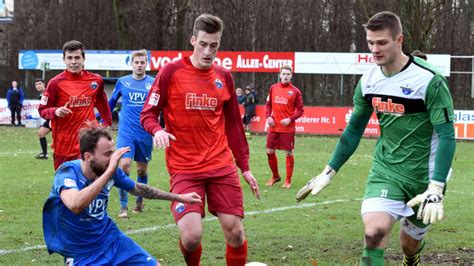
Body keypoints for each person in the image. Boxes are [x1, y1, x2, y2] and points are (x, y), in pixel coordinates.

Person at [296, 11, 455, 265]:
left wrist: (436, 188)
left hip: (424, 174)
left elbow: (447, 135)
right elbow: (354, 130)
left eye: (382, 42)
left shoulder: (429, 81)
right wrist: (329, 171)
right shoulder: (369, 81)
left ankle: (411, 257)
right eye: (370, 42)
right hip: (386, 170)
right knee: (373, 234)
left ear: (399, 40)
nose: (375, 49)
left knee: (409, 244)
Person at [140, 13, 260, 266]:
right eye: (203, 44)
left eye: (214, 45)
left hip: (221, 166)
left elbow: (235, 128)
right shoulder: (171, 72)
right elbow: (148, 114)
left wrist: (245, 167)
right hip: (185, 168)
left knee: (235, 232)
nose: (208, 51)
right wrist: (157, 130)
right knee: (192, 236)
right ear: (192, 40)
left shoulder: (224, 76)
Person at [42, 125, 202, 265]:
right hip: (81, 253)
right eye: (107, 154)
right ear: (87, 156)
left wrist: (179, 197)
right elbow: (76, 204)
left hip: (111, 240)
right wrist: (110, 172)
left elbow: (138, 189)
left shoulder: (108, 169)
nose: (113, 159)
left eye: (113, 152)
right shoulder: (68, 172)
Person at [38, 40, 112, 170]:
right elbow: (42, 110)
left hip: (87, 142)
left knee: (88, 184)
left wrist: (106, 123)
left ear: (83, 59)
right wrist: (55, 111)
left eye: (77, 57)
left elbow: (102, 104)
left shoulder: (96, 81)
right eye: (69, 58)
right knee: (65, 185)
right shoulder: (55, 83)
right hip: (63, 144)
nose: (73, 62)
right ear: (64, 60)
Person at [109, 49, 155, 218]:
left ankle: (139, 201)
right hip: (126, 133)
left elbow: (161, 107)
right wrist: (100, 117)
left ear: (146, 64)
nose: (139, 65)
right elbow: (112, 103)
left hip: (145, 134)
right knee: (124, 167)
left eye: (143, 62)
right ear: (132, 64)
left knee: (141, 171)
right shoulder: (123, 82)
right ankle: (123, 207)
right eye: (137, 62)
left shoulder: (153, 83)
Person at [265, 65, 304, 188]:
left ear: (291, 76)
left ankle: (288, 180)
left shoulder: (296, 91)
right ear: (280, 75)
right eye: (284, 74)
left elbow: (300, 110)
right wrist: (268, 116)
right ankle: (275, 176)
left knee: (288, 153)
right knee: (269, 151)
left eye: (288, 74)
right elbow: (268, 105)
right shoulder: (273, 88)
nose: (286, 76)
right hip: (273, 127)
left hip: (287, 129)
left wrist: (290, 119)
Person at [34, 78, 51, 159]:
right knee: (41, 133)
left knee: (59, 137)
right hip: (50, 118)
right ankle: (45, 154)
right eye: (36, 84)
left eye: (40, 84)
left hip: (56, 117)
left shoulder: (48, 92)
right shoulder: (41, 95)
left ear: (44, 84)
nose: (38, 86)